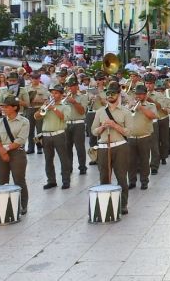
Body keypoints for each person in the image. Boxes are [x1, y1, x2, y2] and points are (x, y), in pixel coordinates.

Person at [91, 82, 132, 214]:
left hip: (120, 146)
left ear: (118, 95)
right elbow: (93, 131)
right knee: (104, 176)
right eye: (108, 93)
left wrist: (115, 126)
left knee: (121, 177)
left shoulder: (125, 112)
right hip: (103, 147)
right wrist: (102, 127)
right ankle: (105, 203)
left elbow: (128, 132)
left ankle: (123, 204)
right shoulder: (100, 112)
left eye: (112, 93)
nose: (110, 96)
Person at [0, 95, 30, 215]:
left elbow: (20, 140)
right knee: (1, 180)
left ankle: (23, 205)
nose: (3, 109)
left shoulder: (24, 122)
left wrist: (5, 149)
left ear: (14, 107)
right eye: (3, 107)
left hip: (17, 153)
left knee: (19, 180)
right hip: (1, 153)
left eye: (6, 107)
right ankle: (3, 205)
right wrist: (2, 152)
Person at [33, 84, 72, 189]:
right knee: (48, 159)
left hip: (59, 134)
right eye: (52, 93)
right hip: (46, 135)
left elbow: (64, 118)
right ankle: (51, 180)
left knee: (63, 158)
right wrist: (43, 108)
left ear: (61, 94)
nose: (53, 95)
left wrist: (53, 108)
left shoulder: (65, 106)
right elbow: (36, 117)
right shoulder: (46, 106)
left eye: (56, 93)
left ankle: (66, 181)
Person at [128, 84, 157, 189]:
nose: (138, 96)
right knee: (131, 161)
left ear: (145, 95)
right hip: (131, 137)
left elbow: (152, 116)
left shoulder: (150, 105)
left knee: (144, 160)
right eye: (137, 94)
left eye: (140, 94)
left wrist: (141, 108)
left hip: (144, 137)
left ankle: (144, 181)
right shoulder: (130, 104)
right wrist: (130, 106)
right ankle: (132, 181)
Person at [63, 77, 88, 175]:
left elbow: (82, 111)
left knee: (79, 147)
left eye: (72, 86)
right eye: (69, 86)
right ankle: (69, 167)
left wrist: (74, 102)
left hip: (78, 123)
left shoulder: (83, 96)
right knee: (67, 147)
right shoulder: (65, 98)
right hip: (67, 124)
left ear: (77, 86)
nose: (70, 88)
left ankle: (82, 167)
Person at [145, 76, 169, 171]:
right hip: (144, 121)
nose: (148, 85)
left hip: (157, 120)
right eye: (147, 83)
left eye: (150, 83)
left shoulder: (158, 94)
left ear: (153, 84)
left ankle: (155, 165)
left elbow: (160, 107)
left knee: (156, 143)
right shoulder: (140, 93)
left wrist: (150, 100)